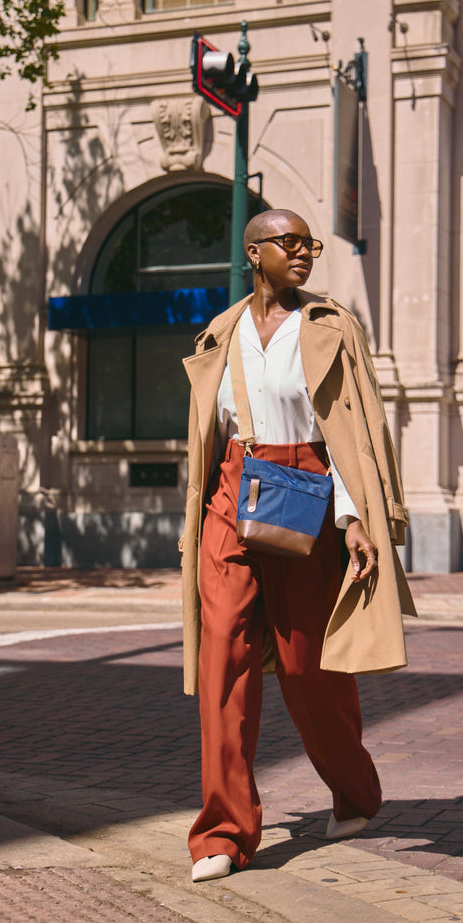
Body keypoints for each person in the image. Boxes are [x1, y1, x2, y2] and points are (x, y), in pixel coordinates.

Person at [180, 208, 416, 882]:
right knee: (223, 659)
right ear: (255, 253)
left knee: (310, 664)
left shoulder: (330, 327)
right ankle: (222, 834)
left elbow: (352, 430)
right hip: (232, 497)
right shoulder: (219, 333)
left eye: (311, 244)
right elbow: (209, 435)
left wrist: (355, 517)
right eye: (291, 243)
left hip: (309, 493)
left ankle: (355, 790)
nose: (305, 253)